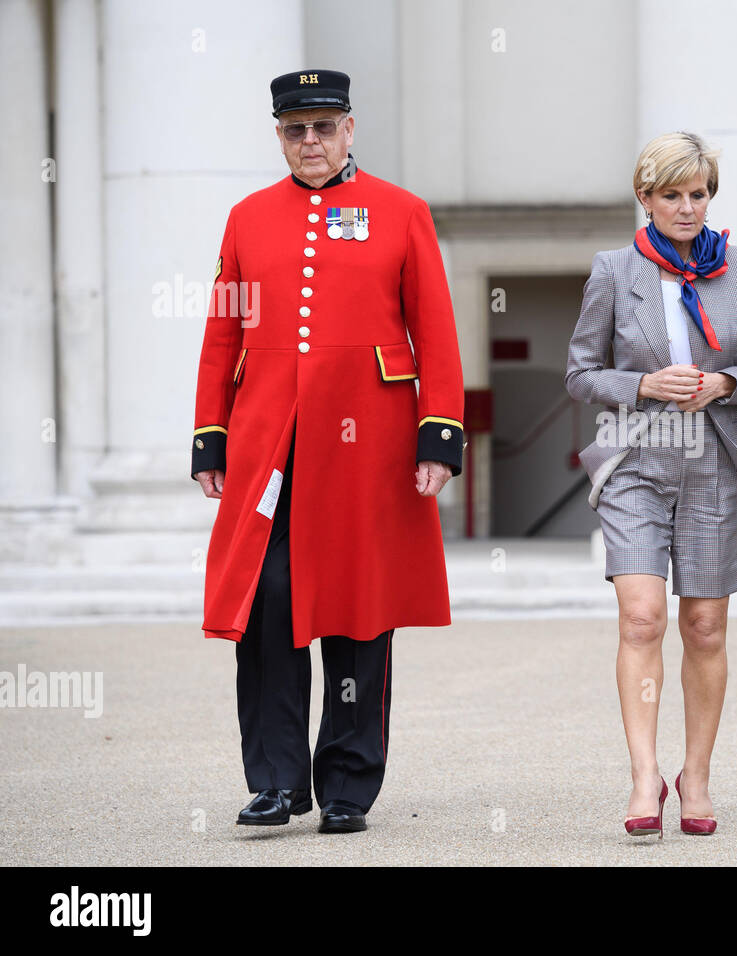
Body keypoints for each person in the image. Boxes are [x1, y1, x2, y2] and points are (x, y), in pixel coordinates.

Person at [190, 69, 465, 834]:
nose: (309, 142)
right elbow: (222, 334)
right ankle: (275, 781)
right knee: (267, 604)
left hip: (367, 443)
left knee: (357, 606)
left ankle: (347, 783)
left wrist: (437, 433)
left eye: (322, 127)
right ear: (279, 136)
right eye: (294, 130)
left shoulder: (402, 212)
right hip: (269, 440)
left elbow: (435, 328)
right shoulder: (247, 218)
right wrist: (211, 433)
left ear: (349, 130)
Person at [566, 132, 737, 838]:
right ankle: (642, 777)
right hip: (636, 459)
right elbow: (579, 374)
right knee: (641, 618)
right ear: (646, 198)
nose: (688, 208)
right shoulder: (613, 269)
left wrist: (726, 381)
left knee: (706, 625)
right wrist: (642, 384)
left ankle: (696, 775)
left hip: (715, 457)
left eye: (699, 194)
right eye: (673, 195)